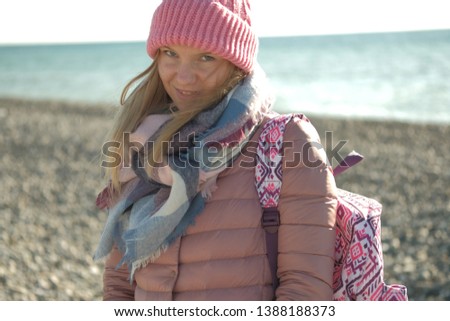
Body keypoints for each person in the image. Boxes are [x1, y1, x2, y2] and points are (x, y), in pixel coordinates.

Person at [94, 0, 337, 301]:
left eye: (206, 57)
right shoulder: (141, 142)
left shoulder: (289, 142)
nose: (183, 76)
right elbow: (120, 283)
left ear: (237, 63)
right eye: (171, 53)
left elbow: (305, 292)